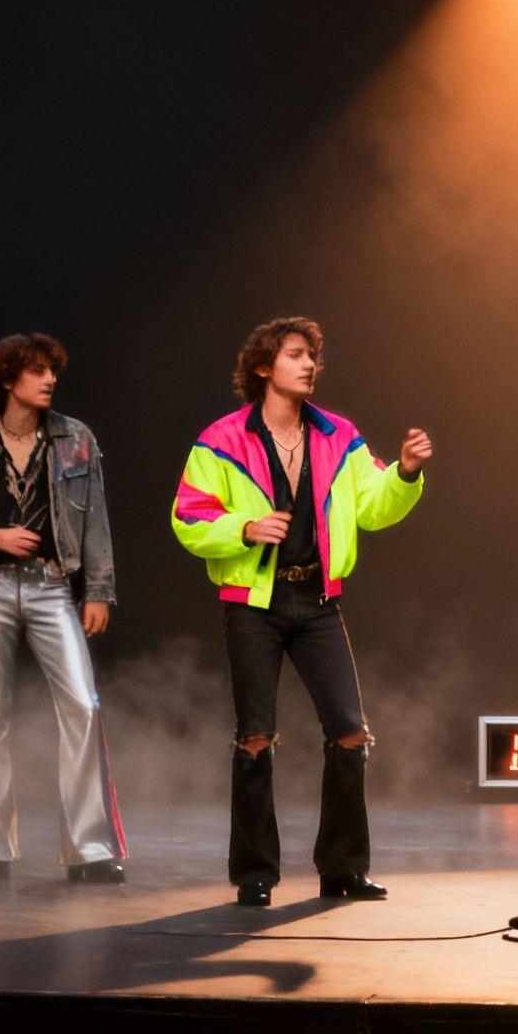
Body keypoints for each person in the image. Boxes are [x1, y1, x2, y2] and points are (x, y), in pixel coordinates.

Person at [171, 317, 431, 907]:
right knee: (255, 737)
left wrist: (406, 473)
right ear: (265, 367)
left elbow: (372, 508)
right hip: (254, 606)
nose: (309, 364)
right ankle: (255, 872)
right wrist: (244, 527)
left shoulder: (339, 434)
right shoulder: (221, 440)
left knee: (349, 733)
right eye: (295, 355)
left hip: (318, 603)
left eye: (312, 355)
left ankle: (342, 868)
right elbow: (188, 519)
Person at [0, 333, 127, 884]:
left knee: (83, 707)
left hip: (50, 586)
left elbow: (96, 522)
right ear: (6, 380)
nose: (50, 380)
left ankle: (89, 849)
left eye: (52, 371)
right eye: (38, 371)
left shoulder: (75, 439)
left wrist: (98, 590)